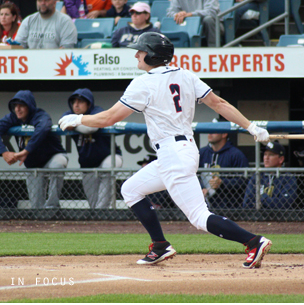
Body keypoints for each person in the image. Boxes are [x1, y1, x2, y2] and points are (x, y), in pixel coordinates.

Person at [59, 32, 272, 268]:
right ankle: (160, 245)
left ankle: (253, 241)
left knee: (199, 217)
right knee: (130, 189)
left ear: (152, 55)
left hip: (174, 154)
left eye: (141, 51)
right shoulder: (186, 74)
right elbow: (220, 104)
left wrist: (79, 119)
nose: (137, 54)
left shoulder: (143, 83)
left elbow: (109, 118)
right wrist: (250, 126)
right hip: (181, 150)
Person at [0, 90, 68, 209]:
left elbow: (43, 127)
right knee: (36, 205)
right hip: (33, 164)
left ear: (29, 106)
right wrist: (3, 152)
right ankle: (40, 218)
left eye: (22, 105)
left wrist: (26, 151)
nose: (17, 109)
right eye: (15, 106)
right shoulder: (13, 117)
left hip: (52, 156)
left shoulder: (40, 115)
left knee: (58, 164)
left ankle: (52, 207)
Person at [61, 89, 122, 209]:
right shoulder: (69, 114)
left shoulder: (97, 111)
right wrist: (76, 123)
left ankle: (102, 212)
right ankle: (97, 216)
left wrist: (73, 124)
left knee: (107, 171)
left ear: (88, 103)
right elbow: (61, 123)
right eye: (74, 101)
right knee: (92, 202)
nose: (76, 105)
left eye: (80, 101)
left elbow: (91, 129)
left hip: (110, 156)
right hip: (87, 163)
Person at [200, 118, 249, 208]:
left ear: (224, 134)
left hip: (230, 206)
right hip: (204, 206)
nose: (210, 133)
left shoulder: (236, 154)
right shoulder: (202, 153)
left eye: (214, 130)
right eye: (209, 129)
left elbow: (244, 181)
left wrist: (222, 183)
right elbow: (193, 175)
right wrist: (201, 188)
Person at [242, 141, 297, 209]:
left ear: (281, 159)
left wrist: (261, 198)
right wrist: (269, 202)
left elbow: (284, 204)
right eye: (265, 154)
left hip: (281, 218)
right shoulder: (258, 176)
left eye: (271, 155)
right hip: (257, 217)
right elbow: (247, 203)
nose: (266, 158)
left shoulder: (288, 178)